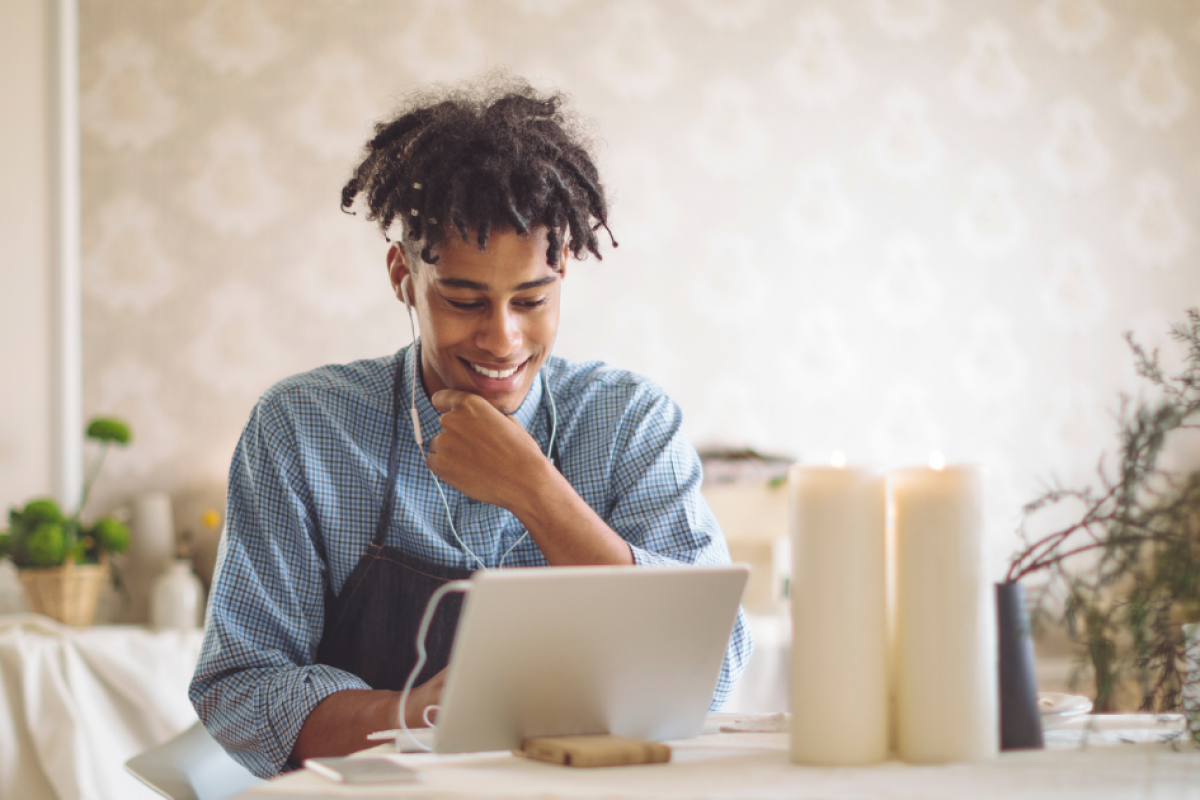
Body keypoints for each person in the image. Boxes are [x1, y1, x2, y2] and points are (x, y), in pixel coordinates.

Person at [189, 79, 752, 779]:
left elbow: (712, 669)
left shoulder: (630, 422)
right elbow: (239, 691)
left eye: (531, 299)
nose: (502, 337)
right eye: (463, 300)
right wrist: (417, 713)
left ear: (562, 272)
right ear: (403, 277)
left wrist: (535, 489)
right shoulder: (302, 429)